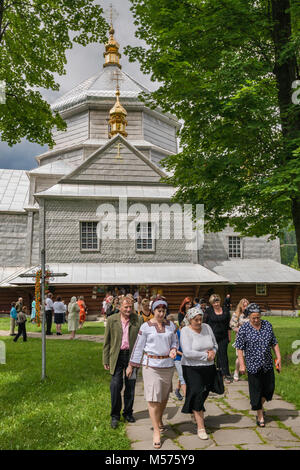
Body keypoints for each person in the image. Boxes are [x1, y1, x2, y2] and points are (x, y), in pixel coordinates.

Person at [127, 298, 178, 450]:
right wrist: (131, 365)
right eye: (158, 311)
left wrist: (174, 348)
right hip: (151, 366)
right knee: (153, 398)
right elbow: (138, 347)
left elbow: (175, 341)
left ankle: (159, 419)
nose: (161, 314)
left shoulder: (171, 326)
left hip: (167, 366)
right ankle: (156, 431)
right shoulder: (146, 326)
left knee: (163, 397)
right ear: (153, 310)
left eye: (163, 311)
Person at [235, 303, 281, 428]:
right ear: (249, 316)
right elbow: (239, 348)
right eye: (253, 318)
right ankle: (260, 414)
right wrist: (242, 365)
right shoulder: (244, 329)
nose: (256, 320)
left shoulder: (267, 325)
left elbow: (274, 342)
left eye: (258, 317)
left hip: (267, 364)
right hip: (253, 365)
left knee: (269, 389)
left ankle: (258, 404)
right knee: (256, 391)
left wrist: (279, 358)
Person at [103, 296, 143, 430]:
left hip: (132, 357)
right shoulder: (111, 320)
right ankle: (115, 415)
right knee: (115, 386)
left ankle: (127, 413)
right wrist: (106, 359)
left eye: (130, 307)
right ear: (119, 307)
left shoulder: (138, 320)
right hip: (117, 357)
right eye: (126, 307)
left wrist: (137, 360)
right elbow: (107, 341)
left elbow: (141, 342)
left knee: (130, 385)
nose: (128, 309)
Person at [180, 307, 218, 440]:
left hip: (208, 367)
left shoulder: (207, 327)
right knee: (197, 392)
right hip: (191, 368)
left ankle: (195, 411)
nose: (199, 322)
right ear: (190, 320)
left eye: (200, 319)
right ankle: (201, 427)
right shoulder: (185, 331)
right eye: (196, 320)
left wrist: (213, 352)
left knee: (204, 392)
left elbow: (214, 344)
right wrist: (205, 356)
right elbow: (187, 352)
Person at [203, 294, 232, 383]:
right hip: (212, 337)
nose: (216, 304)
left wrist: (229, 336)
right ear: (211, 303)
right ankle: (211, 374)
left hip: (223, 336)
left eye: (217, 301)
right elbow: (204, 324)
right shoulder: (208, 311)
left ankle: (225, 374)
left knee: (223, 355)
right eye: (214, 302)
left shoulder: (226, 310)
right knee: (212, 355)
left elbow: (228, 325)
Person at [230, 298, 249, 381]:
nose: (245, 307)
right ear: (240, 306)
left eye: (247, 306)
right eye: (244, 306)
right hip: (240, 338)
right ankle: (236, 371)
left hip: (250, 338)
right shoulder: (236, 314)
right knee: (240, 356)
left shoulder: (250, 314)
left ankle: (248, 371)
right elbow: (233, 326)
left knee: (249, 356)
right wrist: (241, 330)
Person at [173, 319, 186, 401]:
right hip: (178, 358)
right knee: (183, 378)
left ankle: (177, 390)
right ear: (181, 327)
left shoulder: (186, 334)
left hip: (186, 358)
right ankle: (187, 398)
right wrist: (183, 354)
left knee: (183, 375)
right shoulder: (176, 334)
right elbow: (174, 349)